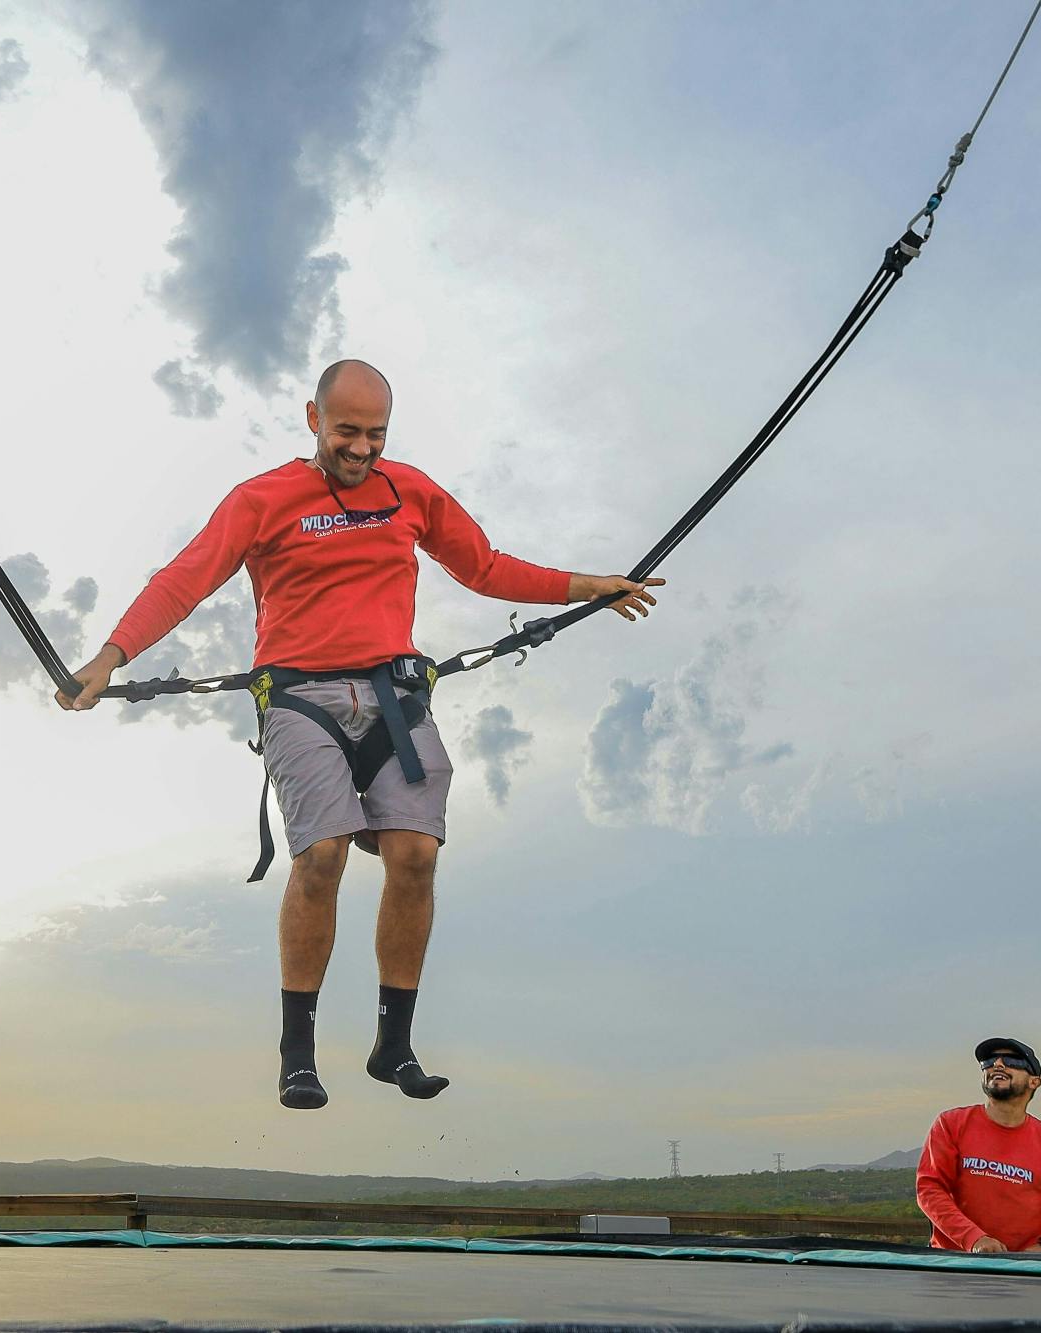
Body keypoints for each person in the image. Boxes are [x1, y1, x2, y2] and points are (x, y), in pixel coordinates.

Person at [60, 359, 662, 1110]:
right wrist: (110, 658)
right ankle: (298, 1053)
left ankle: (393, 1043)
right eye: (347, 432)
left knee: (415, 854)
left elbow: (484, 566)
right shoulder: (262, 499)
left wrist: (589, 587)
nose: (362, 449)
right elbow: (184, 577)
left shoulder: (409, 491)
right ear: (313, 420)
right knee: (323, 854)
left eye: (376, 434)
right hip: (299, 697)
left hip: (393, 695)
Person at [915, 1037, 1041, 1253]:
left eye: (1012, 1060)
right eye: (989, 1061)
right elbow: (930, 1190)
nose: (997, 1064)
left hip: (1020, 1273)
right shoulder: (950, 1124)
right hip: (952, 1267)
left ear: (1034, 1081)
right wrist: (975, 1239)